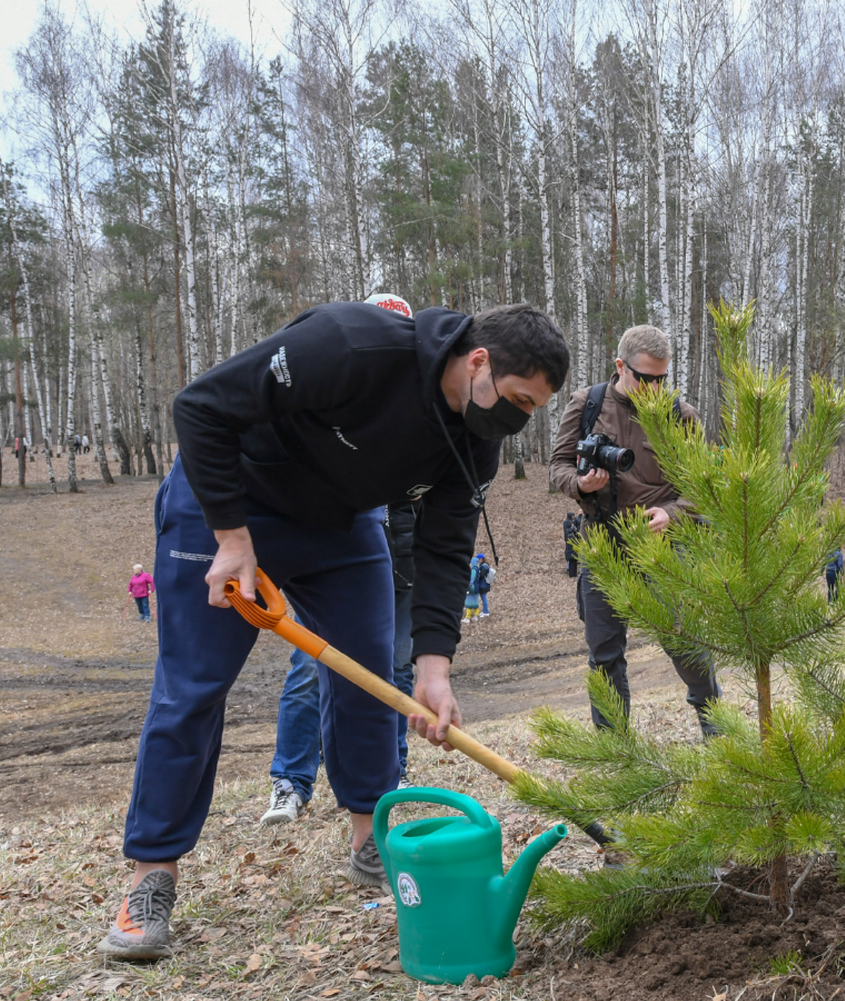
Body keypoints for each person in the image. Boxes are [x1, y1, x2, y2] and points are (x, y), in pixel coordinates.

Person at [99, 299, 566, 961]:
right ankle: (151, 876)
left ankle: (370, 835)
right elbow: (200, 407)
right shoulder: (353, 345)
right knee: (193, 687)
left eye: (532, 411)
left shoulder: (475, 441)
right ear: (479, 360)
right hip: (228, 500)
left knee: (374, 676)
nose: (516, 421)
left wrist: (434, 666)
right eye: (517, 400)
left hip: (339, 522)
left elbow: (444, 548)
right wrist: (233, 538)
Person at [550, 324, 722, 736]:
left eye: (662, 379)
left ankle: (719, 733)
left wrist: (672, 514)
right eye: (645, 379)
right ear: (620, 366)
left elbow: (705, 487)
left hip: (664, 546)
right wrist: (580, 484)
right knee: (604, 652)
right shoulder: (587, 403)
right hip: (604, 542)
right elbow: (557, 466)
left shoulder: (681, 415)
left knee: (685, 643)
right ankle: (614, 749)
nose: (654, 388)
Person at [261, 502, 420, 826]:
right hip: (339, 562)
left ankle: (393, 773)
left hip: (409, 569)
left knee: (397, 671)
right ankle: (291, 782)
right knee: (309, 670)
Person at [471, 552, 494, 619]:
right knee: (483, 598)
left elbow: (481, 575)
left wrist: (477, 574)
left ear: (481, 559)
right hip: (484, 584)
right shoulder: (484, 565)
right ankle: (484, 611)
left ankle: (486, 612)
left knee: (484, 598)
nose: (478, 560)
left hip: (483, 585)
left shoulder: (484, 566)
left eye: (479, 559)